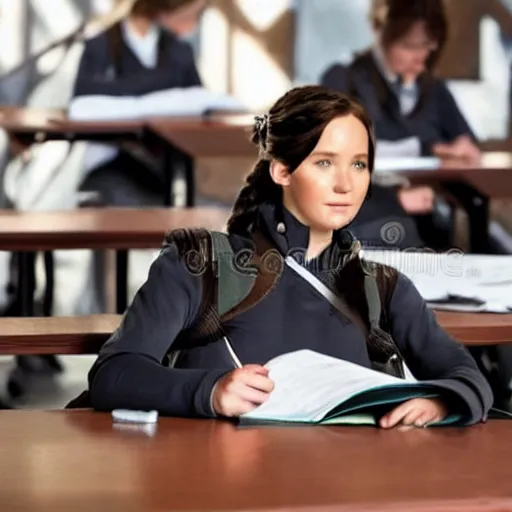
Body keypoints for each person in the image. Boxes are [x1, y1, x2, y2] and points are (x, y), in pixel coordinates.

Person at [81, 85, 493, 428]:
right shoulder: (199, 264)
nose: (346, 184)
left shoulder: (382, 287)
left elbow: (467, 377)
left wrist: (441, 403)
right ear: (282, 170)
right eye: (325, 163)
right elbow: (114, 375)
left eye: (360, 164)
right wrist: (210, 391)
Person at [321, 0, 481, 250]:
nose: (420, 56)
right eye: (408, 45)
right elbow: (333, 160)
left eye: (428, 46)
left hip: (432, 218)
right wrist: (427, 151)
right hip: (368, 216)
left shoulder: (435, 91)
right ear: (380, 33)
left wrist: (464, 150)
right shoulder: (344, 81)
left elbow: (466, 143)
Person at [72, 0, 207, 207]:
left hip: (168, 165)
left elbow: (196, 100)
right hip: (112, 164)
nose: (194, 23)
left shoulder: (180, 51)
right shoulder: (99, 46)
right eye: (193, 14)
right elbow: (83, 99)